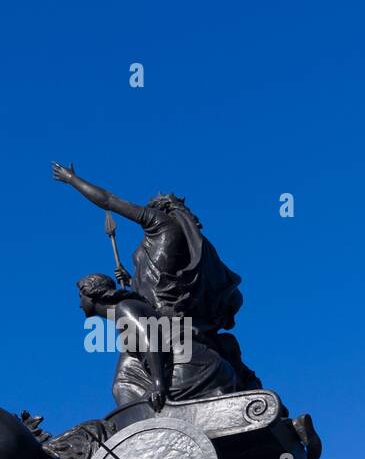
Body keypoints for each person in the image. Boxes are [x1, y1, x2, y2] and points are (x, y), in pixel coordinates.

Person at [54, 162, 261, 390]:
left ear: (158, 210)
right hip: (163, 316)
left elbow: (109, 201)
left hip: (158, 321)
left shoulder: (160, 223)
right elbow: (156, 282)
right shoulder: (173, 240)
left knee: (123, 383)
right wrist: (131, 279)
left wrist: (72, 180)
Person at [77, 273, 237, 410]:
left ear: (91, 294)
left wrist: (158, 384)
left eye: (80, 296)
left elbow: (151, 340)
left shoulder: (124, 308)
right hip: (198, 365)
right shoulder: (127, 307)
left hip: (193, 368)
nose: (79, 304)